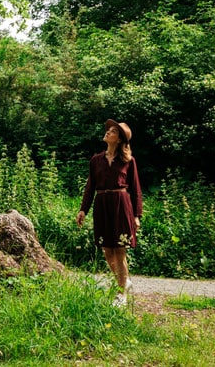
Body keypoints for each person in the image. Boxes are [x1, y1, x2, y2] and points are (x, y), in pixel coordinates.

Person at [75, 118, 143, 308]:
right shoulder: (96, 160)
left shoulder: (128, 161)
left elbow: (136, 189)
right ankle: (124, 281)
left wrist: (137, 215)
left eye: (113, 131)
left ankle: (121, 294)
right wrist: (83, 209)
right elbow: (90, 187)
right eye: (108, 130)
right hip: (102, 205)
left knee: (119, 249)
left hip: (121, 205)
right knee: (107, 249)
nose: (108, 133)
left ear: (120, 139)